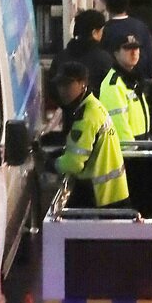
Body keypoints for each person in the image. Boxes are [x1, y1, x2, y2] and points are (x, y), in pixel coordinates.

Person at [51, 56, 129, 206]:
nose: (62, 89)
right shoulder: (92, 106)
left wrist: (51, 163)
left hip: (103, 198)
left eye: (67, 84)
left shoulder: (86, 117)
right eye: (60, 84)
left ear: (83, 84)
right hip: (113, 193)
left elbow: (74, 164)